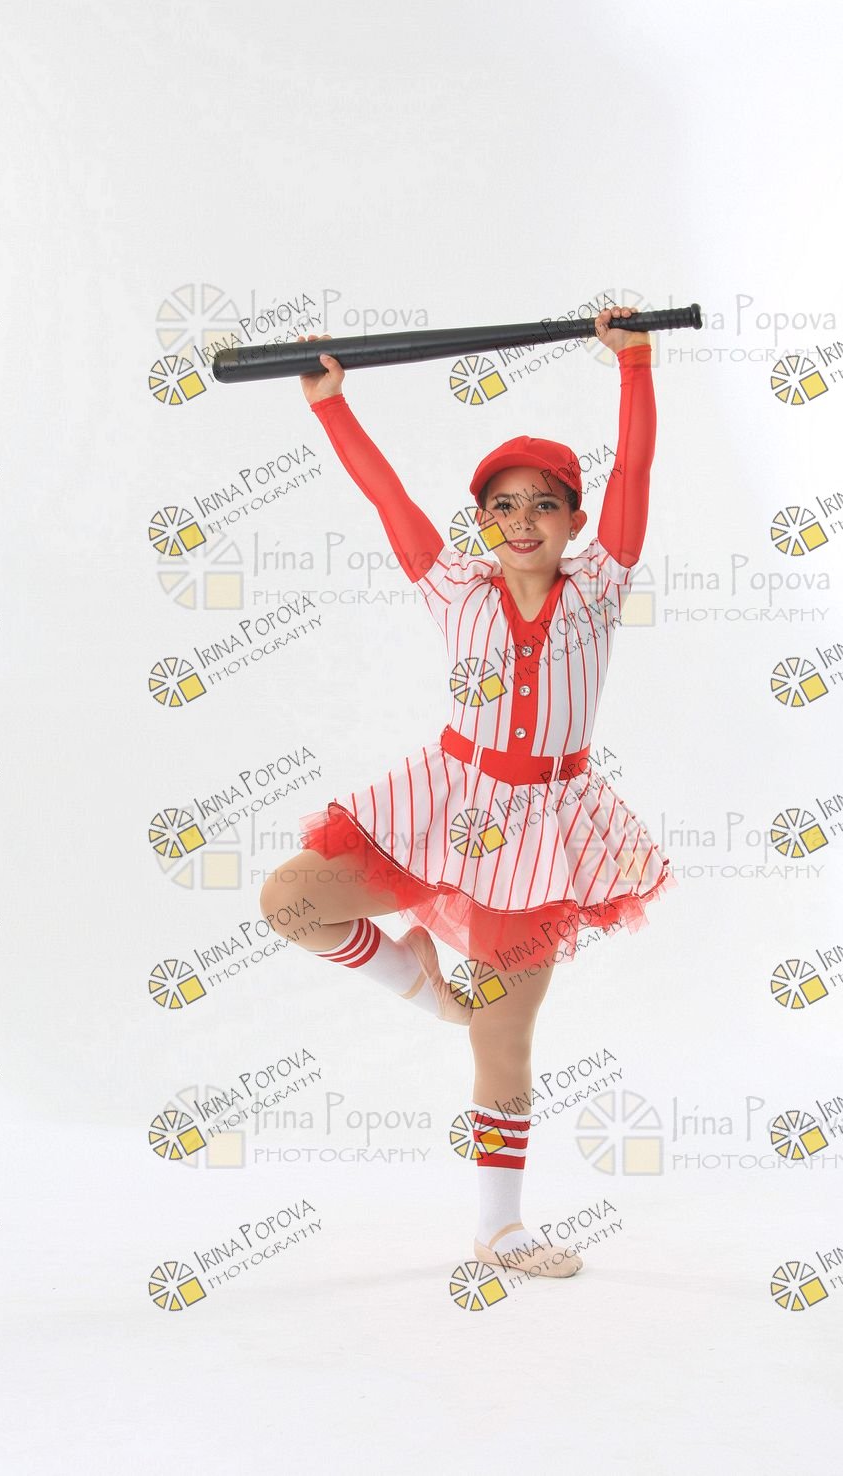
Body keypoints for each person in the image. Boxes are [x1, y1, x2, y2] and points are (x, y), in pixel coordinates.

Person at [259, 305, 676, 1279]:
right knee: (291, 902)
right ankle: (417, 981)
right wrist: (330, 406)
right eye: (503, 505)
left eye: (544, 504)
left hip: (543, 830)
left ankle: (499, 1228)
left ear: (574, 521)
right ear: (481, 520)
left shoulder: (600, 587)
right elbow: (385, 495)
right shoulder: (452, 586)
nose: (522, 521)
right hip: (447, 801)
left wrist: (635, 365)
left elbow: (636, 471)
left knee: (502, 1039)